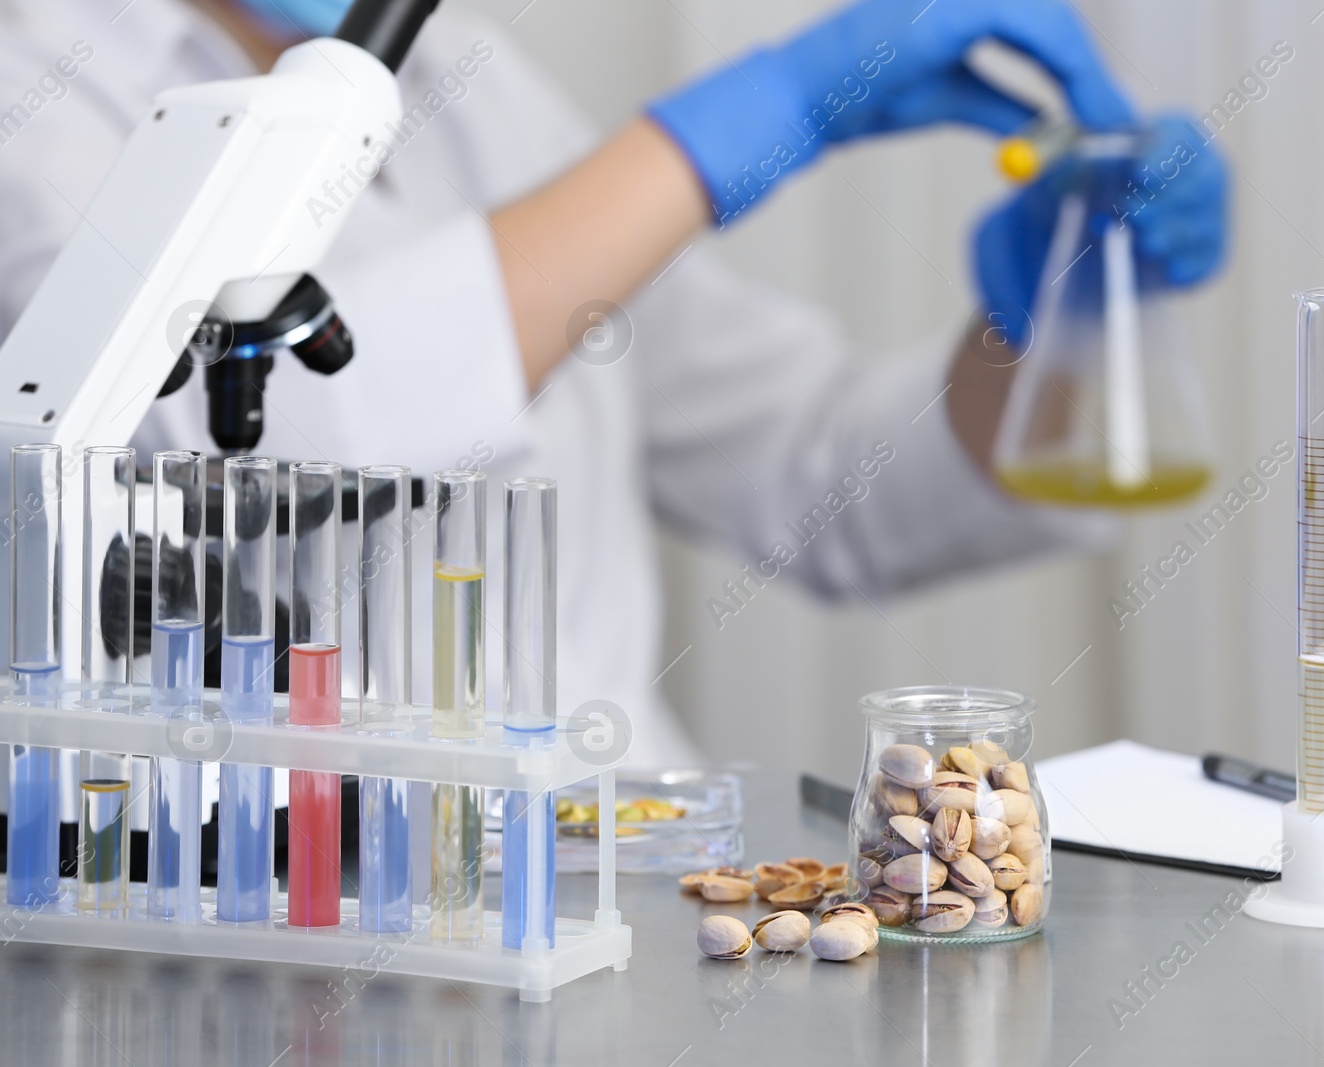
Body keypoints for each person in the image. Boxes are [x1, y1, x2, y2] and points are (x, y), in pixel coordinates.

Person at [0, 0, 1226, 765]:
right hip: (283, 897)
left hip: (621, 866)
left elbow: (819, 473)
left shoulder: (469, 83)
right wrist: (737, 126)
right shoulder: (34, 97)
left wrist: (1044, 334)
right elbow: (244, 446)